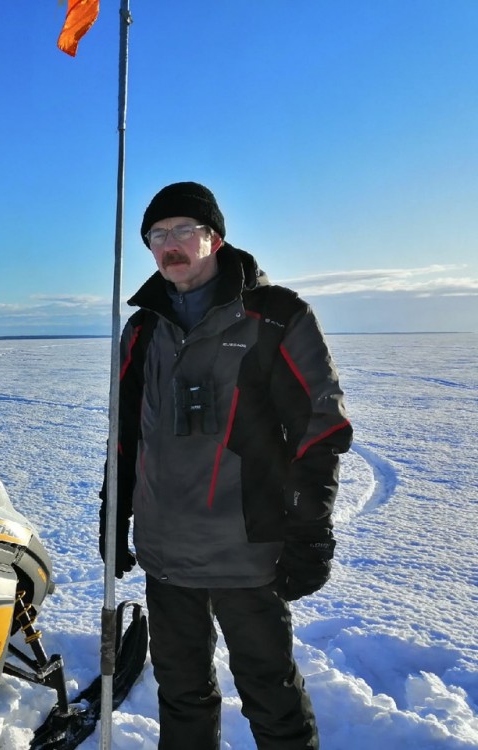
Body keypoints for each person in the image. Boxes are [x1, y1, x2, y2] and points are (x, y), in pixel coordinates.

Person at [101, 182, 353, 749]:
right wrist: (113, 511)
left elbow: (321, 428)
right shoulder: (142, 330)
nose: (169, 245)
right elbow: (126, 433)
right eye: (157, 235)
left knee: (271, 693)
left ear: (215, 238)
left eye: (183, 231)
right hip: (166, 551)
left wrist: (311, 529)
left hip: (248, 551)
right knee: (181, 694)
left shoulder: (276, 316)